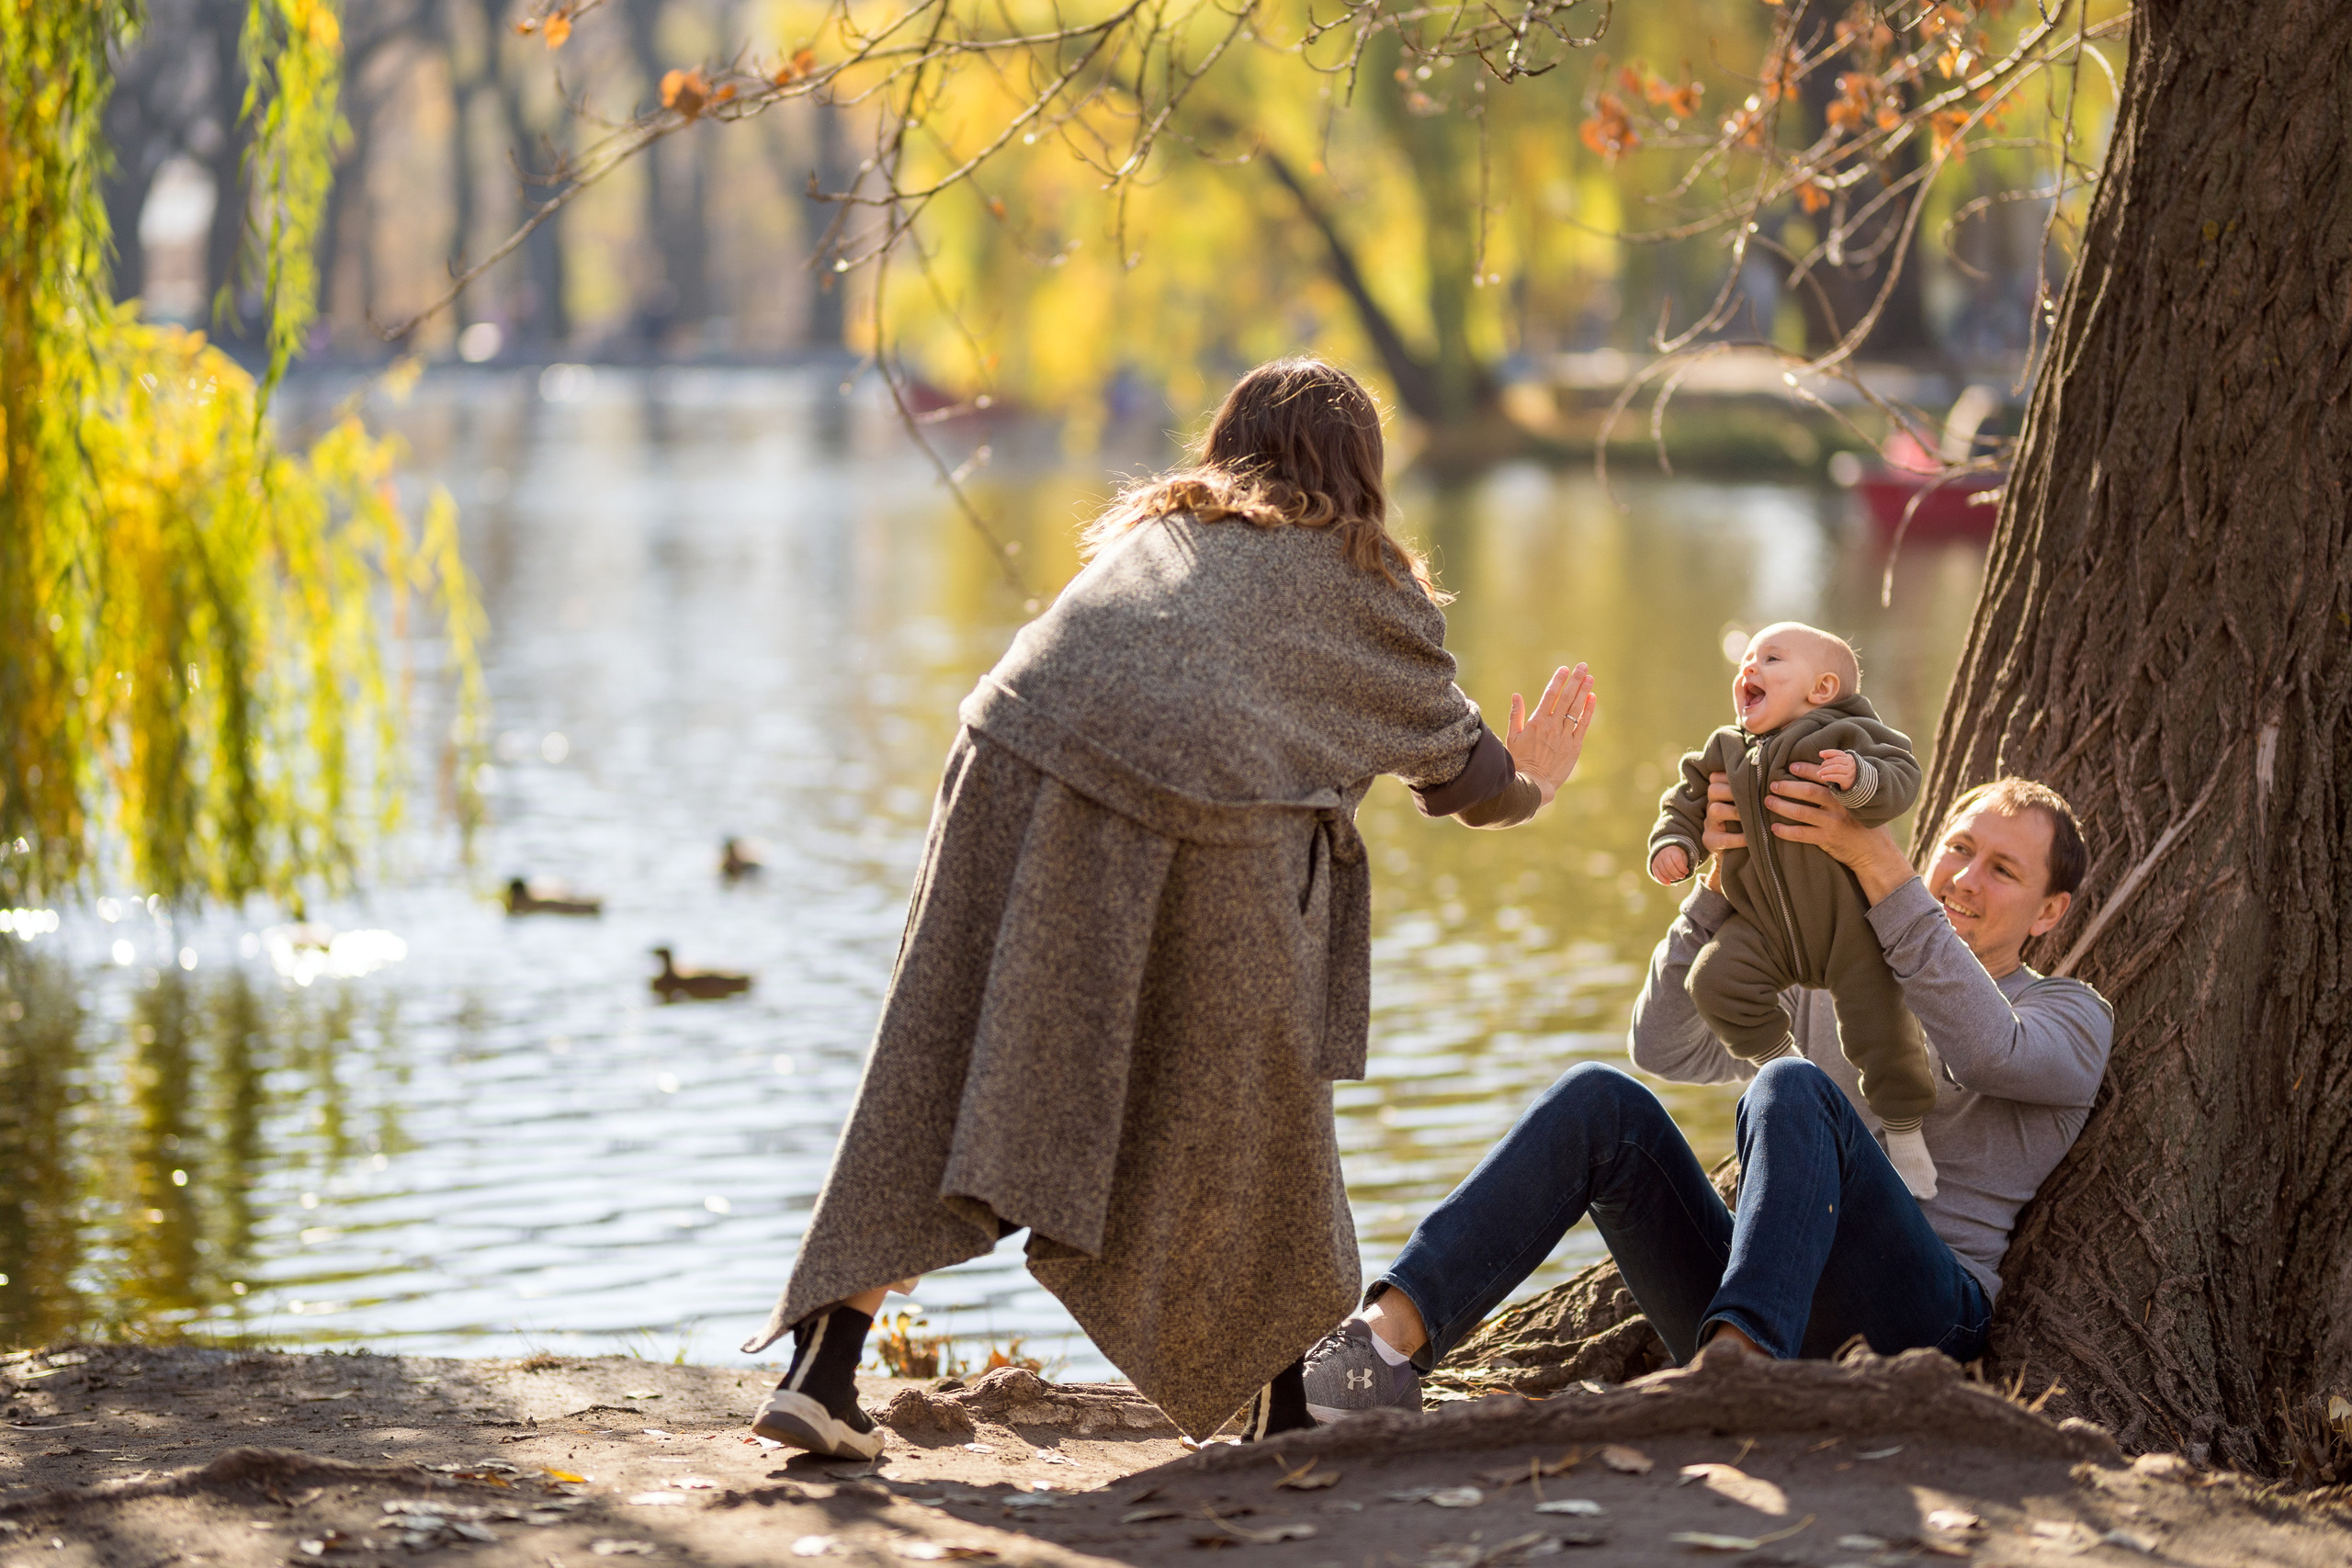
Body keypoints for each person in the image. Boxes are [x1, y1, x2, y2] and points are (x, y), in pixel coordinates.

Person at [743, 358, 1600, 1458]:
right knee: (1249, 1114)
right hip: (1173, 813)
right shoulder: (1362, 580)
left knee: (953, 1065)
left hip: (1009, 766)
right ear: (1362, 471)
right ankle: (1275, 1402)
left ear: (1226, 444)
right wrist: (1541, 784)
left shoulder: (1157, 533)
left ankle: (825, 1367)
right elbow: (1470, 786)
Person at [1298, 772, 2112, 1423]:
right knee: (1601, 1101)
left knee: (1793, 1084)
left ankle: (1737, 1375)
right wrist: (1718, 891)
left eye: (2001, 869)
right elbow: (1664, 1045)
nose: (1965, 878)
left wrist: (1878, 867)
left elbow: (1982, 1046)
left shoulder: (2068, 1016)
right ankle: (1381, 1350)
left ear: (2050, 911)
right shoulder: (1837, 975)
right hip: (1759, 1307)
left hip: (1922, 1322)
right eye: (1959, 849)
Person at [1647, 623, 1938, 1198]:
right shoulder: (1726, 750)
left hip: (1848, 927)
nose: (1748, 669)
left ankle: (1904, 1130)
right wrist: (1675, 844)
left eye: (1771, 659)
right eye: (1746, 661)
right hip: (1765, 930)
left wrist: (1859, 780)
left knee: (1881, 1031)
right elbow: (1686, 798)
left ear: (1823, 687)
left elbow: (1901, 776)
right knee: (1716, 979)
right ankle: (1788, 1067)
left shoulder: (1846, 733)